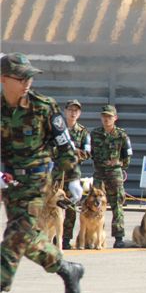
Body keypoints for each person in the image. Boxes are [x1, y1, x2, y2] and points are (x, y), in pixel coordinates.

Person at [0, 52, 84, 293]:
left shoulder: (43, 107)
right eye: (21, 78)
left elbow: (64, 146)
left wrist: (73, 178)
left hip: (36, 185)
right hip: (9, 184)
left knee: (15, 237)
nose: (27, 83)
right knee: (28, 238)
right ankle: (66, 268)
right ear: (4, 79)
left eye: (30, 78)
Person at [91, 105, 132, 248]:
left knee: (117, 205)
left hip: (115, 174)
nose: (106, 119)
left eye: (109, 116)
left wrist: (118, 162)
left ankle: (119, 238)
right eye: (104, 116)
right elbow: (90, 153)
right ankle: (95, 237)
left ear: (115, 118)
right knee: (95, 206)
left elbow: (128, 157)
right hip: (99, 174)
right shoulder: (95, 133)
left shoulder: (122, 135)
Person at [52, 99, 91, 249]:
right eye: (70, 110)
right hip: (56, 173)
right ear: (65, 111)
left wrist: (73, 151)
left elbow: (87, 153)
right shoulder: (57, 129)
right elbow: (49, 148)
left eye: (76, 111)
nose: (73, 113)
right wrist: (63, 150)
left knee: (70, 207)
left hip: (72, 175)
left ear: (79, 113)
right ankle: (51, 236)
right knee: (51, 205)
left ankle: (65, 239)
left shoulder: (83, 132)